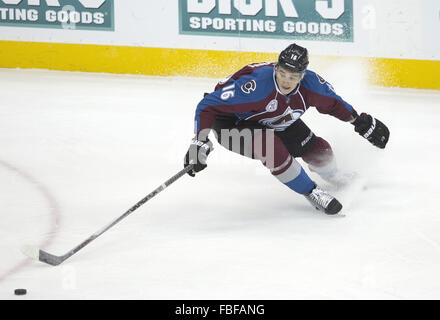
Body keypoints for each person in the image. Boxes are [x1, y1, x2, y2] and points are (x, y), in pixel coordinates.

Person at [184, 43, 389, 215]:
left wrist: (360, 122)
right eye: (282, 73)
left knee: (316, 149)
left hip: (270, 118)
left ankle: (333, 175)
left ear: (302, 75)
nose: (286, 81)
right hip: (231, 124)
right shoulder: (254, 87)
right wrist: (199, 142)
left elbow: (334, 104)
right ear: (276, 69)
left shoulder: (312, 86)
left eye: (293, 77)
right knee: (269, 146)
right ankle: (311, 192)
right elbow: (207, 106)